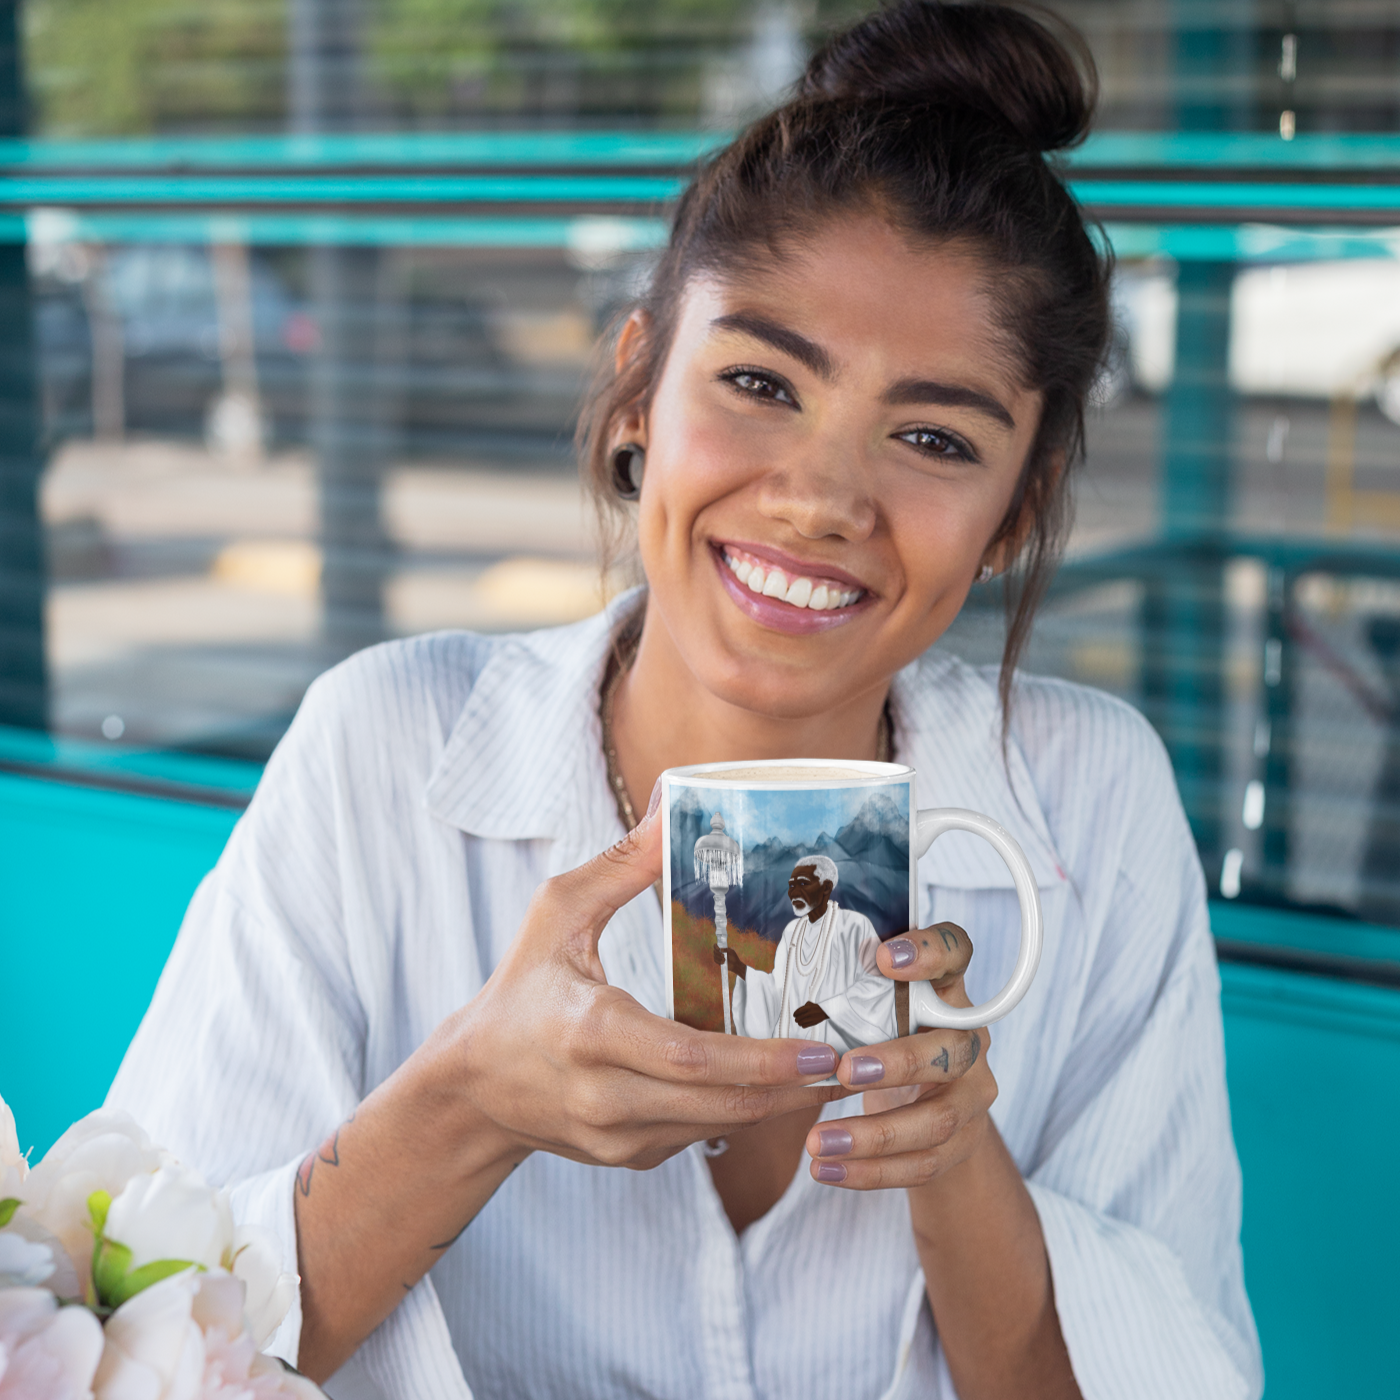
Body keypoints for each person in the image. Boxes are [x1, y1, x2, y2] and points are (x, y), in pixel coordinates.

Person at [107, 3, 1264, 1398]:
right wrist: (469, 1102)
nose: (823, 499)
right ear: (641, 388)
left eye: (932, 437)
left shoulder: (1093, 803)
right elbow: (132, 1346)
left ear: (1016, 514)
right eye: (760, 381)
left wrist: (960, 1164)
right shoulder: (383, 750)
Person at [723, 856, 898, 1049]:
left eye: (803, 884)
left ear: (826, 887)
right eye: (791, 886)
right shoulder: (791, 932)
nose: (794, 893)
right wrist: (739, 968)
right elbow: (776, 989)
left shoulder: (856, 925)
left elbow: (878, 981)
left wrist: (827, 1010)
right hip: (789, 1049)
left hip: (838, 1055)